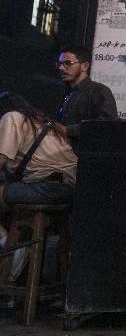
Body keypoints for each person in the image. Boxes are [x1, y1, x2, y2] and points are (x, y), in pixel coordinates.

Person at [0, 92, 77, 282]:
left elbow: (1, 159)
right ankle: (15, 251)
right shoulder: (40, 121)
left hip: (47, 189)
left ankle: (10, 251)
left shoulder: (11, 118)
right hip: (67, 190)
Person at [55, 46, 117, 139]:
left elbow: (107, 126)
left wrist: (67, 130)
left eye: (67, 63)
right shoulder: (67, 92)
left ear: (85, 66)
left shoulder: (98, 91)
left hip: (84, 152)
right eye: (59, 63)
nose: (61, 68)